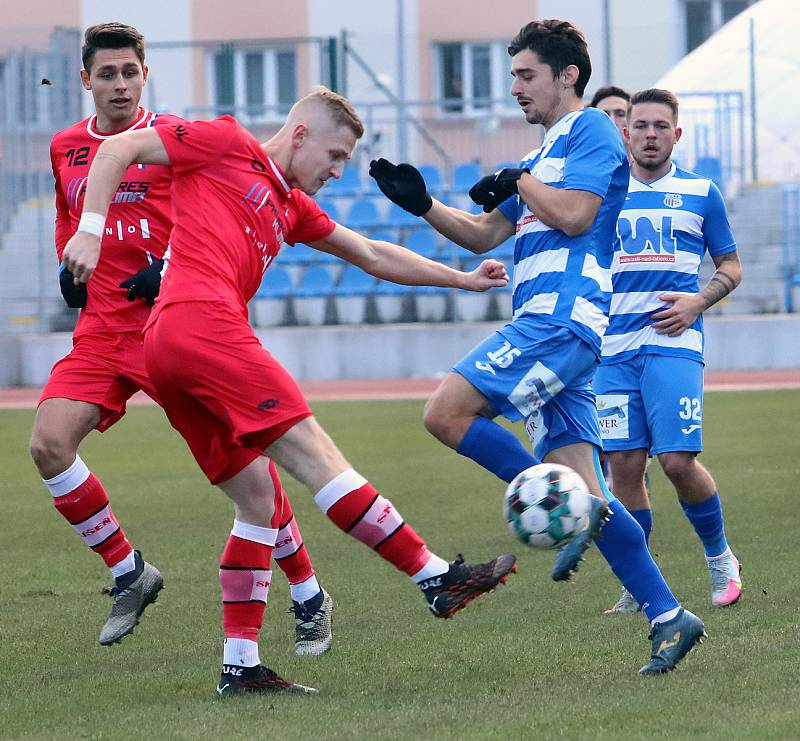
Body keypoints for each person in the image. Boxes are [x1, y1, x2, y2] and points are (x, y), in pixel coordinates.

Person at [62, 87, 517, 695]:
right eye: (335, 155)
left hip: (169, 345)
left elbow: (373, 254)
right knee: (317, 456)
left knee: (255, 502)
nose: (336, 171)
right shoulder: (226, 142)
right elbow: (118, 146)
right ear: (299, 135)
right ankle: (434, 578)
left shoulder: (290, 206)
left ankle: (240, 666)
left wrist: (463, 279)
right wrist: (90, 229)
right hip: (202, 322)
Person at [369, 19, 706, 675]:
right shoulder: (544, 153)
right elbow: (480, 235)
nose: (515, 88)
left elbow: (577, 216)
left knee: (445, 412)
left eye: (526, 75)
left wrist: (519, 180)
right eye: (514, 75)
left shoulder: (591, 132)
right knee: (592, 497)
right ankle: (670, 617)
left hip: (558, 322)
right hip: (555, 331)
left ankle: (547, 500)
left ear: (566, 75)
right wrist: (424, 205)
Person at [31, 22, 335, 658]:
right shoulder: (65, 148)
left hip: (174, 327)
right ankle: (128, 572)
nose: (120, 84)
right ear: (85, 79)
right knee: (49, 446)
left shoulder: (175, 139)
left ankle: (307, 591)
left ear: (146, 74)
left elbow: (220, 217)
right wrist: (70, 260)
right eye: (107, 74)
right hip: (100, 334)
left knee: (246, 473)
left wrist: (165, 267)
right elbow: (69, 216)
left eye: (129, 72)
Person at [594, 88, 743, 615]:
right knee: (625, 467)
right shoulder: (602, 194)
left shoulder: (701, 192)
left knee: (678, 461)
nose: (650, 134)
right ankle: (641, 584)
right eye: (641, 126)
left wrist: (699, 301)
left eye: (661, 126)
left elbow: (731, 266)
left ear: (676, 134)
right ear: (626, 132)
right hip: (610, 351)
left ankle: (720, 556)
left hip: (672, 342)